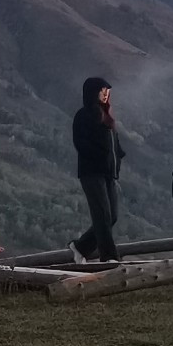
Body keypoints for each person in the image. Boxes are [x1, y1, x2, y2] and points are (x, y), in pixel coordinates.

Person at [71, 76, 124, 261]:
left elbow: (114, 145)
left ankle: (81, 247)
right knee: (103, 215)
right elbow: (80, 143)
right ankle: (110, 258)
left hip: (109, 173)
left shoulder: (108, 116)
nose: (106, 94)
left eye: (107, 91)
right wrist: (100, 156)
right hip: (91, 172)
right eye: (102, 90)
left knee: (112, 216)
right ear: (92, 93)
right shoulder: (83, 116)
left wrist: (118, 157)